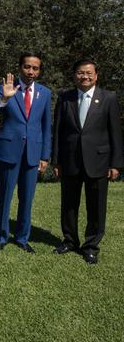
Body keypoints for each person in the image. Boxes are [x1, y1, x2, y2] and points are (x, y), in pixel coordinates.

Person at [51, 58, 123, 264]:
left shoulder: (108, 98)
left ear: (96, 75)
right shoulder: (65, 98)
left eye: (89, 73)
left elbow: (115, 134)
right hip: (70, 160)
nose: (85, 76)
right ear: (75, 75)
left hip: (99, 162)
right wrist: (57, 161)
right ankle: (69, 240)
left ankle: (91, 246)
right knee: (69, 205)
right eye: (81, 73)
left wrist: (115, 164)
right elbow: (58, 131)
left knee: (96, 206)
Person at [0, 53, 52, 253]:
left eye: (35, 68)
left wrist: (44, 156)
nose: (31, 71)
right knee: (4, 196)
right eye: (27, 67)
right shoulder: (7, 87)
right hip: (9, 151)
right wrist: (4, 99)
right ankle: (0, 236)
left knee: (27, 198)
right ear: (20, 67)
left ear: (39, 71)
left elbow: (46, 126)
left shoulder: (44, 93)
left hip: (33, 153)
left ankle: (22, 238)